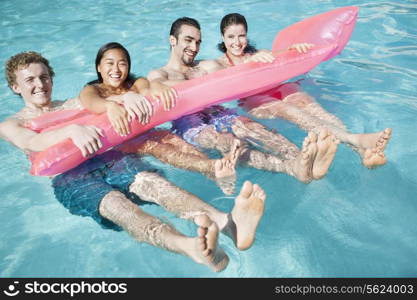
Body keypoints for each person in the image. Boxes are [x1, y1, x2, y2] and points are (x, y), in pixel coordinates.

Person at [0, 51, 267, 272]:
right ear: (15, 86)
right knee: (122, 209)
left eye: (44, 77)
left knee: (156, 186)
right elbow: (30, 142)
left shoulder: (72, 104)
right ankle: (193, 248)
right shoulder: (12, 123)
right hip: (71, 178)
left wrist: (125, 97)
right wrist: (70, 131)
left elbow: (104, 101)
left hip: (108, 158)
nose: (40, 85)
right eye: (30, 80)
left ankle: (228, 223)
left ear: (51, 79)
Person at [147, 17, 338, 183]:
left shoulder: (204, 65)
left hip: (218, 112)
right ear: (173, 40)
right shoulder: (159, 74)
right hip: (189, 123)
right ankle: (289, 168)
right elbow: (152, 86)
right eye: (188, 41)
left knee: (253, 128)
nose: (194, 48)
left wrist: (288, 52)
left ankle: (302, 161)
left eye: (198, 42)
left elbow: (239, 72)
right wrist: (156, 87)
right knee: (230, 143)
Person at [216, 13, 392, 168]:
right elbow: (221, 82)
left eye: (241, 36)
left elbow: (281, 57)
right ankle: (354, 138)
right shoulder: (220, 64)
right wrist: (249, 64)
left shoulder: (260, 52)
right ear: (223, 38)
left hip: (277, 89)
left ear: (247, 36)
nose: (237, 42)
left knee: (305, 103)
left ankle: (361, 151)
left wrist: (295, 50)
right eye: (231, 37)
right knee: (288, 109)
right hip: (255, 101)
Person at [79, 42, 242, 194]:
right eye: (109, 63)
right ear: (99, 67)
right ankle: (212, 166)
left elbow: (146, 91)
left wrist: (152, 87)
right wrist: (112, 104)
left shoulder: (135, 83)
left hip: (143, 132)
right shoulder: (93, 89)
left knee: (172, 139)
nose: (116, 69)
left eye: (122, 63)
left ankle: (216, 174)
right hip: (122, 143)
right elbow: (90, 102)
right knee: (155, 147)